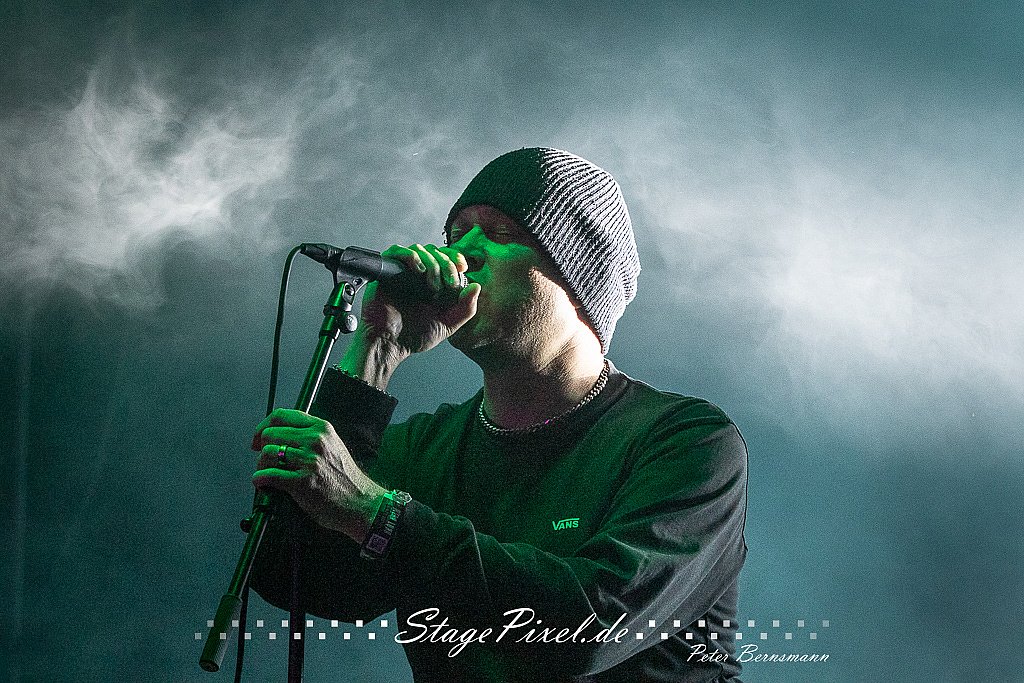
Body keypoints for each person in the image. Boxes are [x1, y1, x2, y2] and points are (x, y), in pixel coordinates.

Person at [250, 147, 749, 682]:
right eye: (455, 233)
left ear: (578, 277)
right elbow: (302, 578)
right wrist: (376, 348)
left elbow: (592, 625)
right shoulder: (423, 447)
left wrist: (377, 515)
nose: (461, 254)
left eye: (497, 232)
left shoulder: (687, 442)